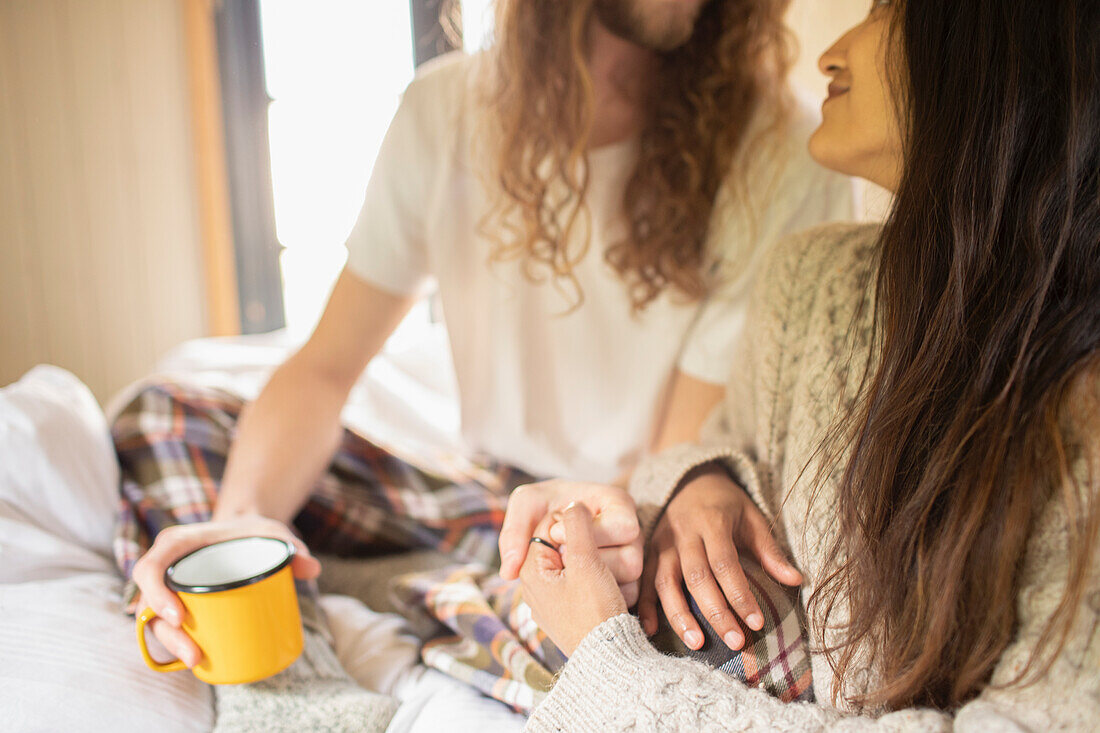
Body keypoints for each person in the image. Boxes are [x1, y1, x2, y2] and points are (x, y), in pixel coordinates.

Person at [116, 0, 853, 728]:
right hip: (486, 498)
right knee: (164, 417)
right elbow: (323, 369)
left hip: (632, 517)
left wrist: (582, 558)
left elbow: (673, 457)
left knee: (724, 632)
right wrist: (242, 528)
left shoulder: (778, 144)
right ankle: (312, 675)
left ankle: (447, 599)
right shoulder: (443, 109)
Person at [517, 0, 1100, 729]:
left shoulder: (1079, 405)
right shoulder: (809, 278)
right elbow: (715, 443)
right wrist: (705, 480)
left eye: (888, 10)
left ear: (1004, 42)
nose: (831, 54)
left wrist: (607, 667)